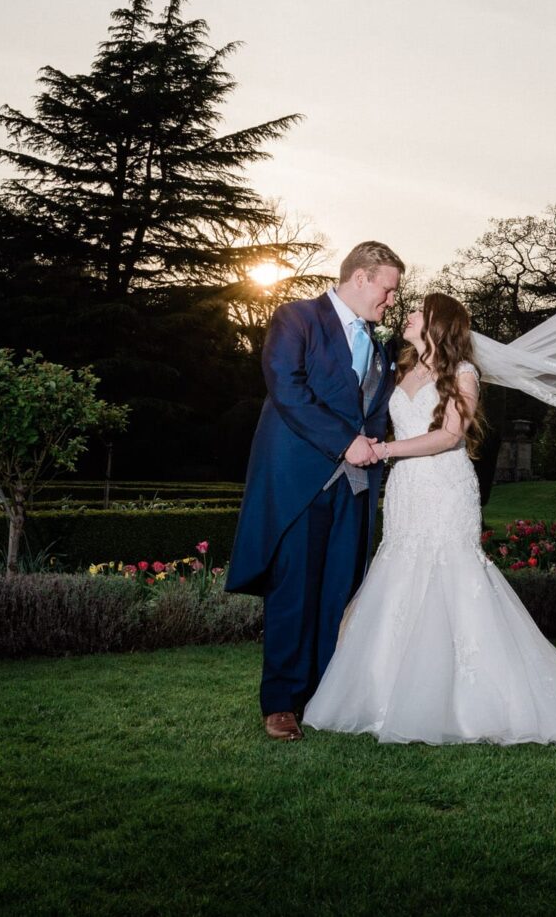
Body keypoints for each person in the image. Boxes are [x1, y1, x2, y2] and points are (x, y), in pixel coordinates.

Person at [302, 292, 556, 746]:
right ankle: (384, 693)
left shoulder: (463, 374)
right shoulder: (401, 369)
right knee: (400, 572)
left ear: (436, 324)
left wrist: (383, 450)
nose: (405, 314)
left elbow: (448, 436)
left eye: (416, 312)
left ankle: (470, 700)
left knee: (452, 576)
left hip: (445, 487)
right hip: (407, 490)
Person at [225, 240, 404, 742]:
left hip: (356, 488)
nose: (390, 301)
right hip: (302, 483)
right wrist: (345, 442)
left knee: (338, 593)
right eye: (387, 290)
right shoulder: (297, 318)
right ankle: (281, 703)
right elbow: (287, 387)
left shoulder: (382, 344)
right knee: (294, 593)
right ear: (362, 278)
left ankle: (324, 696)